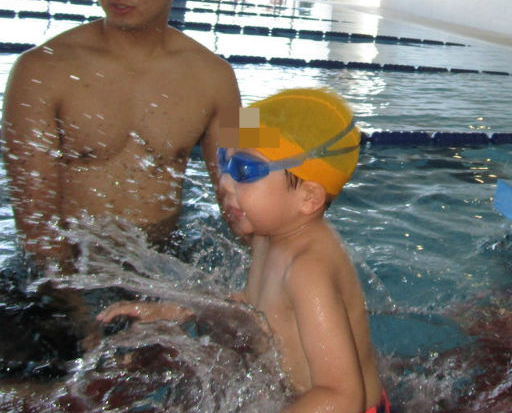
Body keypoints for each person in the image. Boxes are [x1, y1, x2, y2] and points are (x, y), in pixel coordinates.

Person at [98, 88, 388, 413]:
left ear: (308, 198)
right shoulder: (268, 235)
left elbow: (342, 397)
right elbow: (255, 306)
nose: (224, 183)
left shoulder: (308, 269)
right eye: (225, 161)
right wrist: (176, 310)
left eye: (245, 171)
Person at [1, 0, 241, 272]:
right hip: (63, 269)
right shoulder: (38, 70)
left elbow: (249, 183)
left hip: (163, 265)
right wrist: (70, 301)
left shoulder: (218, 77)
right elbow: (35, 222)